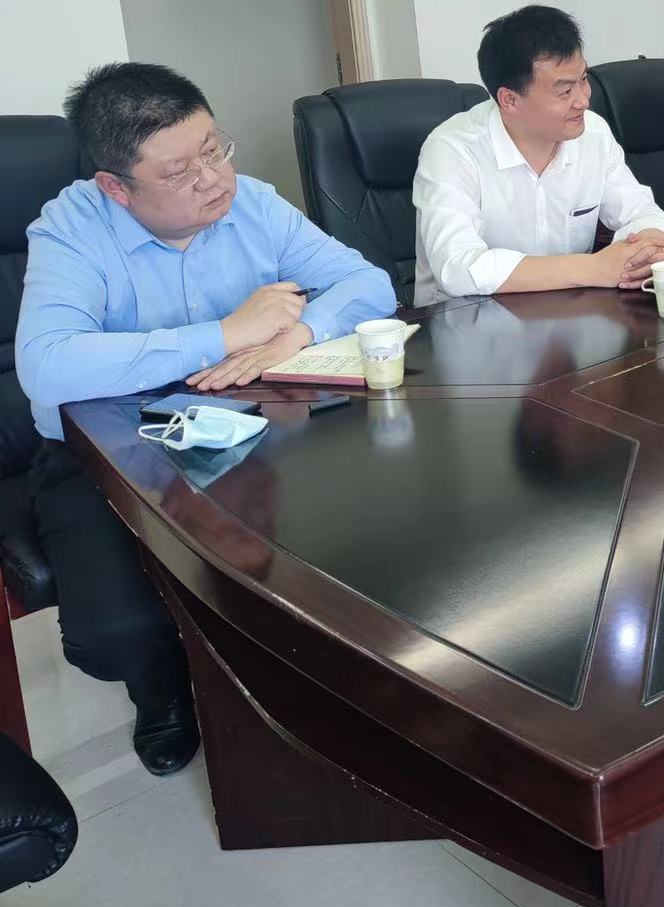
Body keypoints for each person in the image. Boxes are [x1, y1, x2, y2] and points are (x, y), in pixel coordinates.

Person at [15, 62, 397, 774]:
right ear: (115, 187)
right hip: (110, 448)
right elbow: (47, 365)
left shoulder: (253, 204)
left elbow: (367, 282)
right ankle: (161, 691)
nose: (213, 178)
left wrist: (295, 334)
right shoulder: (71, 230)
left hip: (246, 425)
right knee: (116, 634)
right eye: (180, 171)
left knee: (357, 544)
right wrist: (225, 334)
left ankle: (299, 690)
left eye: (215, 149)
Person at [413, 5, 664, 307]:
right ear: (510, 100)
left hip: (570, 312)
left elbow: (643, 212)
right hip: (466, 318)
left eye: (583, 80)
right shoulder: (452, 150)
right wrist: (594, 267)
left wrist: (649, 245)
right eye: (565, 92)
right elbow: (458, 268)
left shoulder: (592, 133)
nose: (583, 101)